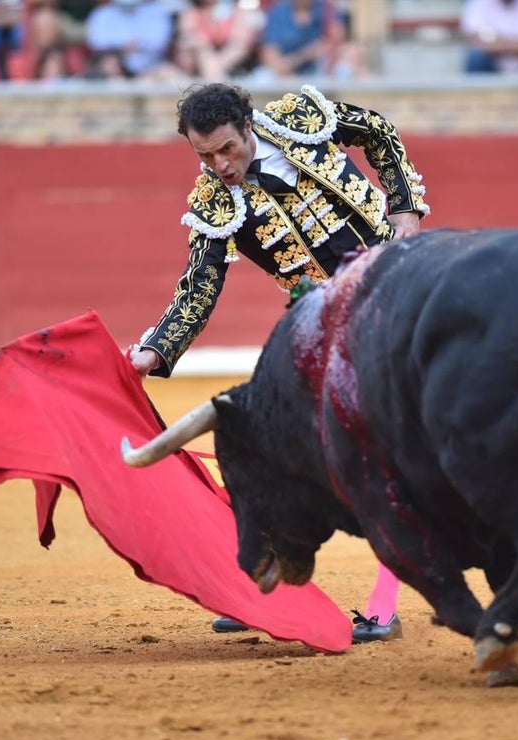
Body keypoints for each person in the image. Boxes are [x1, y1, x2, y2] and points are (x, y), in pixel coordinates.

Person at [128, 82, 430, 642]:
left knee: (385, 451)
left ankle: (384, 605)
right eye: (204, 156)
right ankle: (264, 590)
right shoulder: (213, 203)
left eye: (226, 149)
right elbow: (200, 286)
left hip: (399, 295)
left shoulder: (302, 117)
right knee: (263, 447)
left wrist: (406, 206)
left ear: (248, 125)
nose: (219, 165)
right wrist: (154, 350)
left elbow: (379, 133)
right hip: (327, 324)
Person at [174, 0, 264, 80]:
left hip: (232, 70)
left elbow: (240, 46)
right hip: (197, 68)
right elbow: (187, 41)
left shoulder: (237, 11)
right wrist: (204, 51)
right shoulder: (190, 12)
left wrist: (216, 66)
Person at [460, 0, 518, 74]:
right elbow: (478, 40)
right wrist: (516, 44)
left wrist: (495, 41)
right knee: (476, 57)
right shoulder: (479, 3)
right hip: (492, 66)